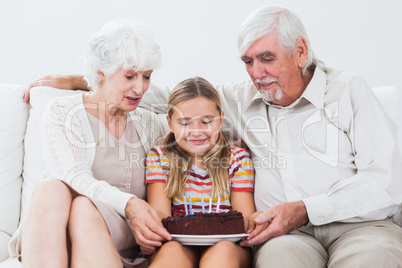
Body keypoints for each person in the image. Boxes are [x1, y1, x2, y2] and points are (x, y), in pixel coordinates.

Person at [23, 5, 402, 267]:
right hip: (289, 236)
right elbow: (179, 103)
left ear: (300, 51)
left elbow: (386, 180)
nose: (257, 73)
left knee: (372, 259)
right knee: (281, 260)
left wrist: (306, 208)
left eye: (267, 58)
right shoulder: (240, 97)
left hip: (358, 225)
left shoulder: (349, 90)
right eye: (248, 62)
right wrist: (87, 82)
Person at [13, 19, 172, 268]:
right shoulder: (63, 112)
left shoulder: (148, 122)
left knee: (84, 210)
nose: (140, 88)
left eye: (147, 77)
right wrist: (130, 203)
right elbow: (75, 177)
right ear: (101, 72)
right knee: (51, 189)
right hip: (56, 229)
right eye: (129, 76)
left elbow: (192, 101)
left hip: (119, 233)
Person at [144, 77, 257, 268]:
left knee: (222, 251)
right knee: (171, 253)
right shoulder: (159, 158)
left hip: (228, 244)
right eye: (185, 123)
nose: (196, 132)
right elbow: (161, 217)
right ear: (170, 124)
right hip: (177, 243)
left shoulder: (237, 159)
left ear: (220, 121)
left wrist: (256, 222)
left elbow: (243, 219)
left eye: (206, 121)